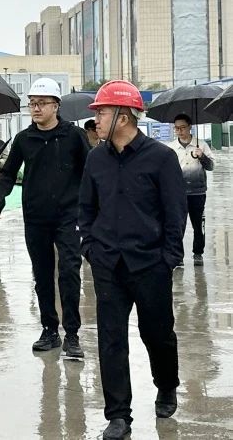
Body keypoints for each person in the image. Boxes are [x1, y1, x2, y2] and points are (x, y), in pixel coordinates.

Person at [79, 80, 186, 439]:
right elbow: (85, 208)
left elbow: (175, 214)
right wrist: (90, 248)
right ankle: (118, 416)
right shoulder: (96, 159)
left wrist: (168, 259)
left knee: (157, 333)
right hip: (108, 264)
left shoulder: (161, 158)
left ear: (123, 117)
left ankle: (166, 384)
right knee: (110, 340)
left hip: (150, 265)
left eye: (102, 112)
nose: (96, 119)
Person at [0, 77, 90, 358]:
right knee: (42, 275)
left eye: (42, 103)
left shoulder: (74, 136)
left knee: (69, 272)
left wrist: (94, 208)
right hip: (36, 218)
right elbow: (8, 173)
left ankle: (72, 334)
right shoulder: (24, 139)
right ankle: (49, 330)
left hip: (69, 216)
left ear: (56, 106)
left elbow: (91, 171)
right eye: (32, 103)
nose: (35, 108)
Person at [167, 113, 214, 266]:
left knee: (198, 225)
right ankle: (178, 256)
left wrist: (202, 156)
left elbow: (211, 167)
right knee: (177, 226)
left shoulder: (202, 145)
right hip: (178, 194)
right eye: (176, 128)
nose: (179, 131)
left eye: (182, 128)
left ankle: (198, 253)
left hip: (198, 193)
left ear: (190, 127)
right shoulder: (171, 148)